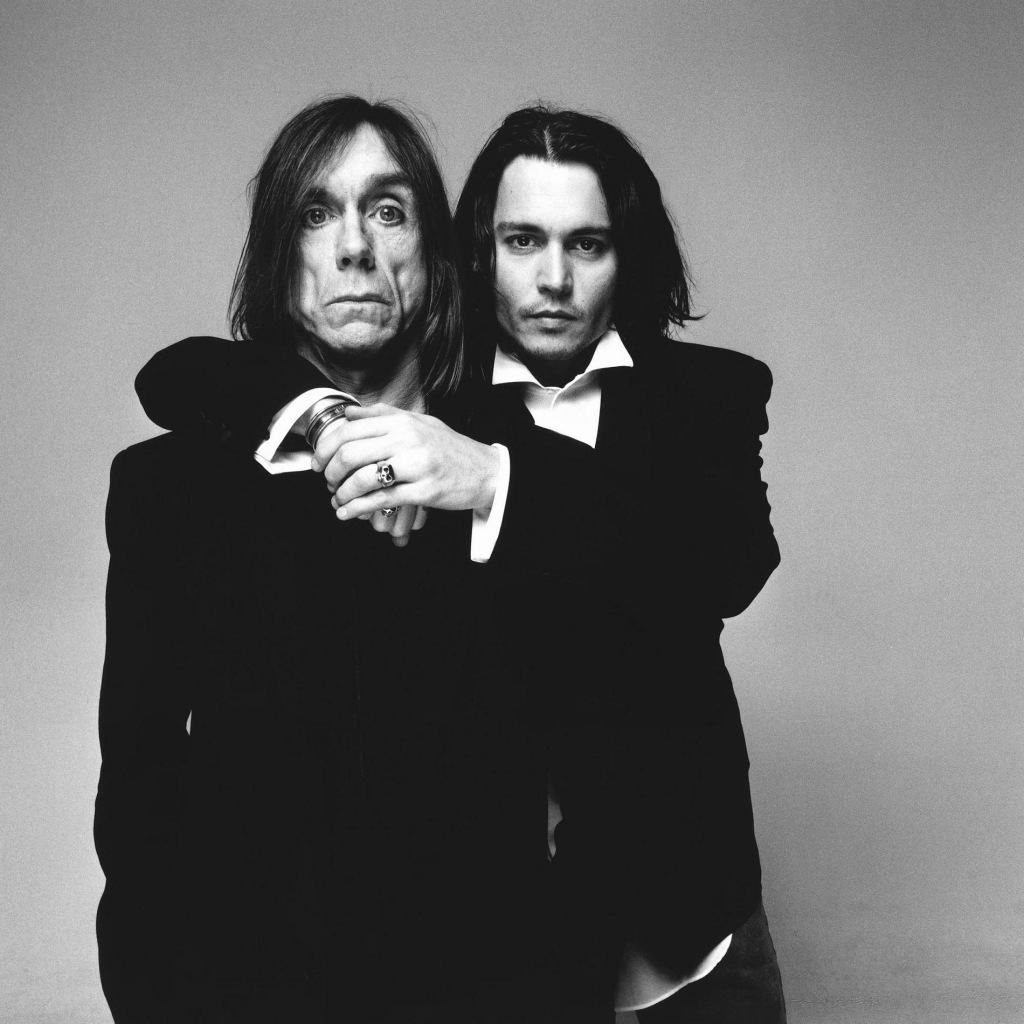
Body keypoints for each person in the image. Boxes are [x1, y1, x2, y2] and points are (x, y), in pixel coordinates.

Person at [132, 103, 785, 1022]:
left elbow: (723, 566)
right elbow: (199, 369)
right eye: (522, 241)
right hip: (507, 933)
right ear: (471, 256)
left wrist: (493, 480)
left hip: (683, 902)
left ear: (627, 255)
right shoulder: (443, 387)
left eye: (588, 244)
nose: (553, 279)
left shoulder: (707, 396)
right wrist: (325, 413)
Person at [95, 96, 579, 1024]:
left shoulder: (518, 472)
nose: (355, 246)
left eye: (388, 211)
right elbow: (139, 785)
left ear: (437, 257)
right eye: (317, 214)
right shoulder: (168, 489)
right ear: (278, 259)